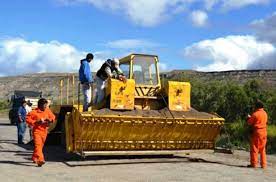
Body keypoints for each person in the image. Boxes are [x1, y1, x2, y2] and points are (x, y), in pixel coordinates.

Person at [26, 98, 56, 167]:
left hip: (44, 131)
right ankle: (40, 160)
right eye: (44, 105)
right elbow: (27, 119)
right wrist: (36, 122)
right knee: (38, 145)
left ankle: (34, 157)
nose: (45, 106)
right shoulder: (34, 112)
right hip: (37, 131)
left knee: (40, 147)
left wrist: (50, 120)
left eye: (46, 105)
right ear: (40, 105)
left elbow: (53, 117)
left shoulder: (47, 111)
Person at [247, 100, 268, 169]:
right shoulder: (265, 113)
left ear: (257, 106)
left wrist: (248, 118)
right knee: (262, 149)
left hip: (257, 132)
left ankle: (254, 164)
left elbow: (249, 123)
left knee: (254, 148)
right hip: (264, 132)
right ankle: (263, 165)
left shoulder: (255, 114)